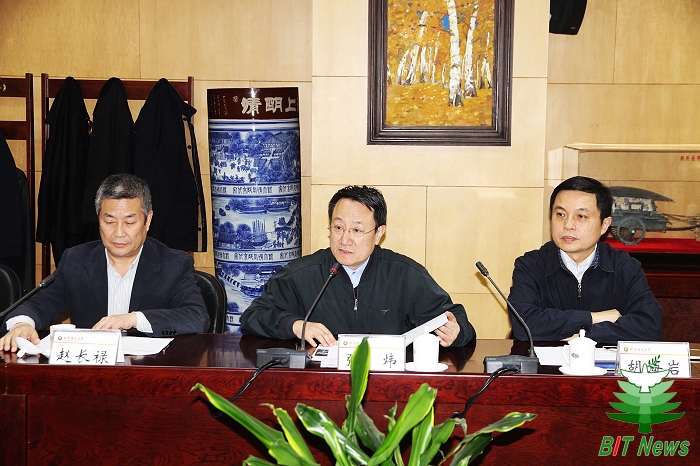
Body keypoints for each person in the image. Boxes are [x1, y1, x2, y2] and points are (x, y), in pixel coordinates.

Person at [241, 185, 476, 347]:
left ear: (379, 233)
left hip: (389, 386)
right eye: (338, 227)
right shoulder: (302, 274)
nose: (344, 239)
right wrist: (295, 325)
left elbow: (454, 319)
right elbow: (253, 316)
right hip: (323, 385)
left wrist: (457, 332)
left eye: (356, 230)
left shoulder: (405, 274)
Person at [1, 173, 209, 352]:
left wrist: (133, 319)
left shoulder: (173, 263)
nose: (118, 232)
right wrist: (22, 324)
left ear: (148, 220)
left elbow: (197, 317)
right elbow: (38, 303)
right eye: (109, 221)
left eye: (129, 222)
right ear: (98, 218)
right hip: (90, 371)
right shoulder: (77, 260)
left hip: (150, 373)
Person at [507, 176, 662, 344]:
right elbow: (523, 325)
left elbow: (649, 326)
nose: (568, 225)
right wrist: (592, 318)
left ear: (604, 225)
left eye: (581, 216)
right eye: (560, 214)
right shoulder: (531, 265)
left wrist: (582, 335)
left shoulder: (624, 267)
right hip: (545, 361)